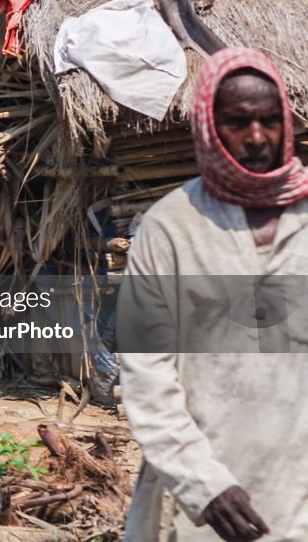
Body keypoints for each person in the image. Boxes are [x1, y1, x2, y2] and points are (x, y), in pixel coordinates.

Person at [119, 47, 308, 541]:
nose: (257, 137)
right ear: (207, 125)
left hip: (297, 489)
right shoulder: (169, 230)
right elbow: (146, 375)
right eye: (238, 122)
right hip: (201, 500)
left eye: (270, 120)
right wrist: (203, 485)